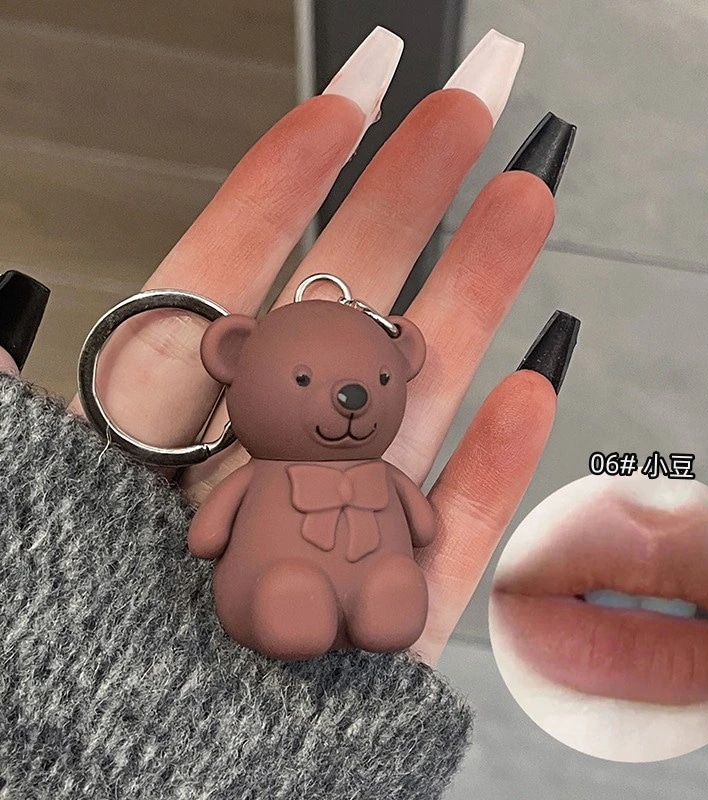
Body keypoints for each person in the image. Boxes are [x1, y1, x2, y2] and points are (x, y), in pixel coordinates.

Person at [0, 27, 574, 799]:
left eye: (374, 378)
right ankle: (299, 603)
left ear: (402, 362)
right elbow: (211, 534)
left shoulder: (361, 471)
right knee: (288, 593)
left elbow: (410, 523)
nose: (349, 399)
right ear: (234, 355)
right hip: (277, 582)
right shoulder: (263, 473)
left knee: (389, 592)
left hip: (364, 562)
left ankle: (382, 598)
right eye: (304, 379)